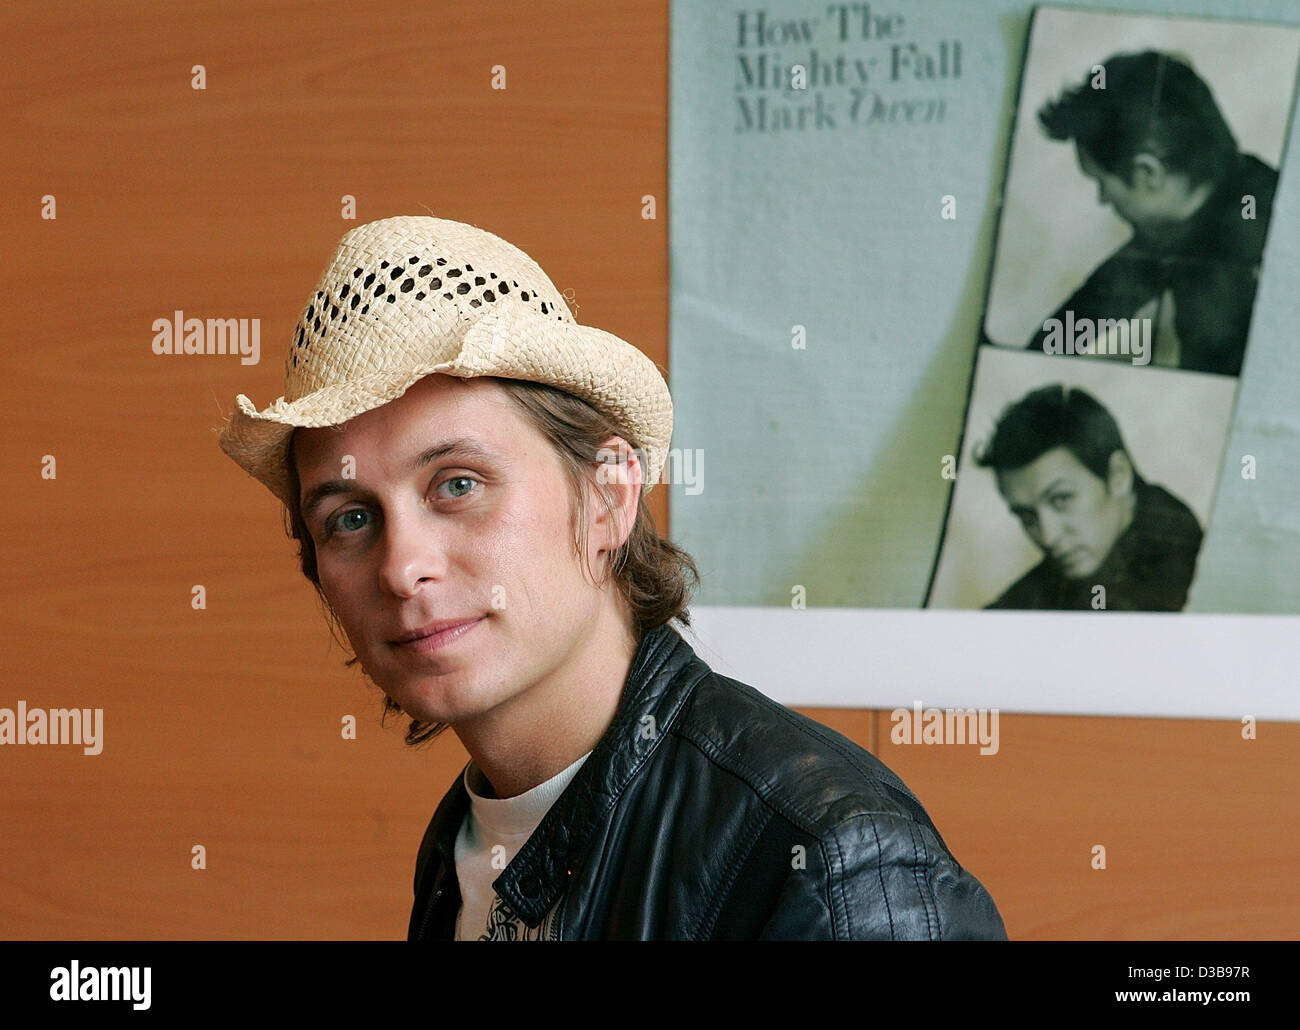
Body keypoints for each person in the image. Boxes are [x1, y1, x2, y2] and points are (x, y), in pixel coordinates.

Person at [217, 215, 1007, 940]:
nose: (402, 566)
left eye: (457, 484)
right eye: (350, 518)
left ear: (608, 497)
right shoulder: (462, 842)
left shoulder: (833, 862)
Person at [1025, 50, 1278, 376]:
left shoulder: (1235, 270)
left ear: (1148, 173)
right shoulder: (1190, 217)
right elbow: (1075, 322)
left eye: (1101, 182)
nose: (1102, 199)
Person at [975, 383, 1203, 611]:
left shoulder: (1182, 557)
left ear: (1118, 475)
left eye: (1061, 500)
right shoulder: (1096, 549)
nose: (1048, 537)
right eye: (1027, 516)